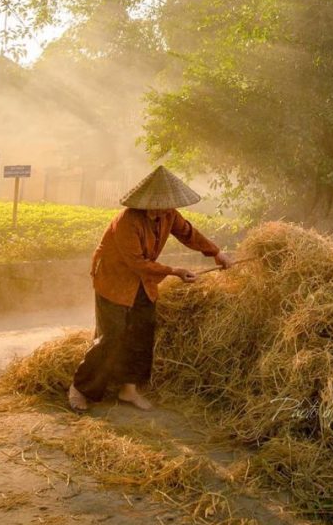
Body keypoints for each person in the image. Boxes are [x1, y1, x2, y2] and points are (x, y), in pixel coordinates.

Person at [68, 165, 232, 412]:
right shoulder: (127, 221)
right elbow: (136, 262)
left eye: (166, 204)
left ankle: (128, 390)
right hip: (114, 280)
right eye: (157, 204)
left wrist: (216, 253)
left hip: (144, 281)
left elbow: (188, 233)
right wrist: (174, 271)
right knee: (111, 336)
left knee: (141, 333)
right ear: (144, 202)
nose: (162, 209)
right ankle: (80, 388)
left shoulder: (169, 215)